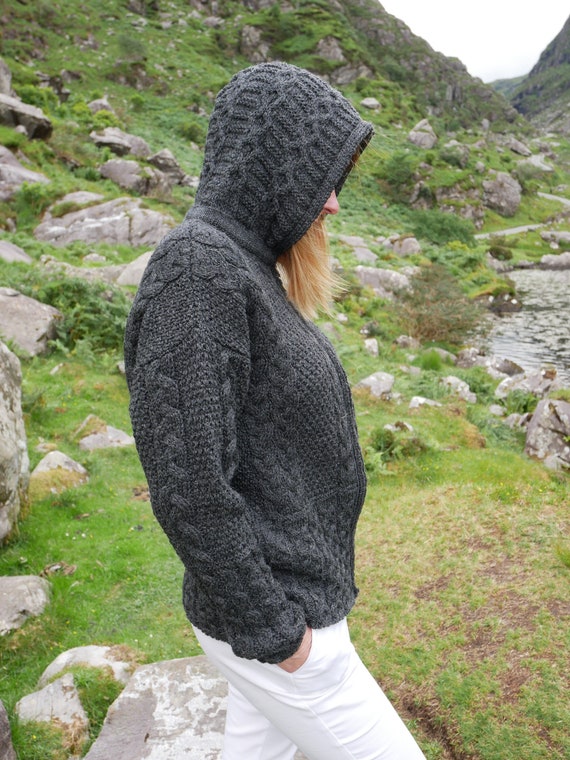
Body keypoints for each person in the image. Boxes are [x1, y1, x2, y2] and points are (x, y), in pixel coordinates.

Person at [124, 61, 425, 760]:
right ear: (275, 170)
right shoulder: (197, 271)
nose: (333, 204)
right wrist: (282, 637)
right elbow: (189, 486)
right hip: (280, 626)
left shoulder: (244, 265)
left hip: (292, 608)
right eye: (324, 180)